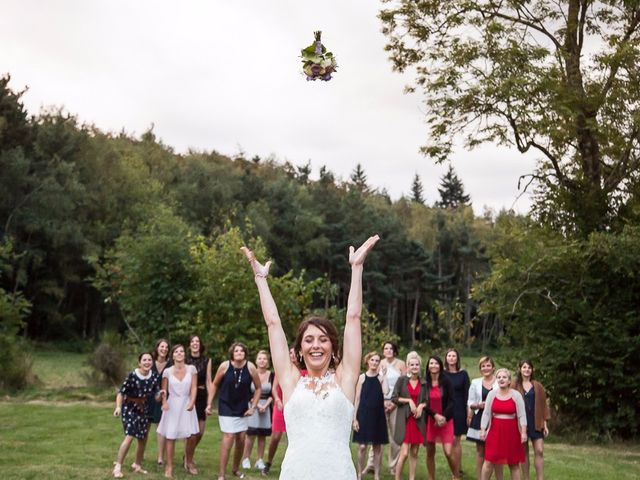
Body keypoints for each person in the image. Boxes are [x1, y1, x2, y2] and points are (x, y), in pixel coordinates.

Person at [241, 234, 379, 480]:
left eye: (323, 339)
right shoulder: (291, 380)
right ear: (300, 349)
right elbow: (273, 324)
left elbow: (353, 318)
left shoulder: (345, 379)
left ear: (333, 347)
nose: (316, 346)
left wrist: (357, 269)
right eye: (309, 340)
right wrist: (260, 279)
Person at [206, 342, 262, 480]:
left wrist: (253, 407)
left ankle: (235, 469)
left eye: (242, 351)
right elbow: (214, 384)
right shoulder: (225, 366)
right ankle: (221, 474)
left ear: (245, 354)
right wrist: (209, 404)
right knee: (229, 437)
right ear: (232, 353)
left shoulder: (250, 367)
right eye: (236, 351)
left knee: (241, 439)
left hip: (242, 408)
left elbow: (259, 388)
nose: (239, 353)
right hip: (226, 406)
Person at [112, 352, 162, 478]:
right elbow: (121, 393)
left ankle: (137, 465)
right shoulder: (132, 375)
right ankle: (117, 467)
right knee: (130, 435)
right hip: (129, 408)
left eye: (149, 360)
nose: (147, 362)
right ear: (139, 363)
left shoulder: (154, 377)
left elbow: (156, 396)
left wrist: (160, 395)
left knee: (142, 438)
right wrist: (118, 407)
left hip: (143, 409)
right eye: (144, 360)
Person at [363, 341, 406, 476]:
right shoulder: (378, 362)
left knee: (395, 437)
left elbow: (404, 385)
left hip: (396, 403)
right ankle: (371, 464)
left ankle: (393, 466)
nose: (388, 350)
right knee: (376, 435)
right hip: (379, 403)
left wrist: (394, 403)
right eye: (386, 348)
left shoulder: (401, 364)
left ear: (395, 350)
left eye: (391, 348)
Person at [157, 344, 200, 478]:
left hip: (187, 403)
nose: (180, 353)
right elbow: (163, 391)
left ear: (184, 354)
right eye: (177, 351)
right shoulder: (167, 372)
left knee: (192, 436)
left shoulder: (192, 369)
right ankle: (169, 466)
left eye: (182, 351)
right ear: (173, 355)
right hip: (173, 405)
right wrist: (164, 402)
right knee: (171, 435)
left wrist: (192, 402)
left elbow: (193, 388)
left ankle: (189, 461)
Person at [262, 346, 304, 476]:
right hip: (280, 406)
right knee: (275, 437)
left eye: (294, 353)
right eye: (290, 353)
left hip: (297, 408)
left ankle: (293, 465)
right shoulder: (282, 369)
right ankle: (268, 462)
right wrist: (278, 400)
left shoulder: (305, 370)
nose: (292, 355)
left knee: (294, 438)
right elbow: (274, 388)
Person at [480, 368, 527, 480]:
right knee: (489, 461)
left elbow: (522, 415)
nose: (501, 379)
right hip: (495, 432)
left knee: (514, 464)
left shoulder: (516, 395)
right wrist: (483, 430)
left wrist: (524, 432)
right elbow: (486, 414)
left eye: (504, 377)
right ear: (496, 380)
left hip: (512, 433)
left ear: (509, 381)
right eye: (499, 377)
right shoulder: (492, 394)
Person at [352, 351, 389, 480]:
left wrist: (384, 376)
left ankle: (377, 475)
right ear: (367, 361)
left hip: (377, 415)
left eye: (377, 361)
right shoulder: (362, 378)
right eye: (372, 360)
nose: (374, 363)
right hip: (363, 415)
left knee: (377, 446)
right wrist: (354, 418)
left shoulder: (380, 378)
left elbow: (386, 391)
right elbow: (357, 398)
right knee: (362, 446)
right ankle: (359, 474)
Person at [392, 351, 427, 480]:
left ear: (419, 366)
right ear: (407, 366)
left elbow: (426, 400)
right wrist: (409, 401)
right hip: (405, 420)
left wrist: (421, 406)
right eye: (411, 364)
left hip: (418, 420)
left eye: (416, 365)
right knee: (405, 452)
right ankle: (397, 477)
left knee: (414, 452)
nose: (414, 367)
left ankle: (412, 478)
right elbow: (394, 398)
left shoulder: (423, 383)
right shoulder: (402, 380)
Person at [513, 360, 550, 480]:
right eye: (524, 367)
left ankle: (540, 478)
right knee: (524, 453)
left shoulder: (538, 385)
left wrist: (545, 424)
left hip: (536, 421)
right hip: (520, 423)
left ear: (532, 370)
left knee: (539, 451)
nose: (527, 370)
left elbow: (544, 405)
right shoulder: (514, 385)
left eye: (529, 367)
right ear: (520, 369)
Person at [467, 356, 500, 480]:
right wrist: (477, 406)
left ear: (493, 368)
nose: (486, 368)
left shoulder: (499, 381)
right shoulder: (475, 382)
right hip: (479, 417)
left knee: (495, 452)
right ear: (480, 369)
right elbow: (470, 402)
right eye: (483, 366)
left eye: (488, 365)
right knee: (481, 452)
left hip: (496, 418)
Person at [424, 355, 457, 480]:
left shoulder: (447, 381)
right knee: (430, 452)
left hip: (446, 421)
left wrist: (443, 417)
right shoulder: (424, 382)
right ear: (428, 366)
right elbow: (423, 403)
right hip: (430, 421)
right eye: (431, 363)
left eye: (436, 363)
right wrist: (435, 416)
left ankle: (456, 476)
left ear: (440, 366)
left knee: (448, 452)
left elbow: (452, 401)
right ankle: (431, 477)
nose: (433, 365)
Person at [242, 350, 274, 472]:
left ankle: (259, 460)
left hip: (266, 407)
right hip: (252, 405)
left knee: (262, 434)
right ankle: (246, 458)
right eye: (260, 358)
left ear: (268, 362)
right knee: (250, 434)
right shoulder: (250, 373)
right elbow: (246, 392)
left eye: (264, 359)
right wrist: (256, 405)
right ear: (256, 361)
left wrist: (265, 405)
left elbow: (272, 393)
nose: (262, 361)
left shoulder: (272, 375)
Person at [185, 334, 213, 474]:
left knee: (200, 432)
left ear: (200, 345)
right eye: (192, 341)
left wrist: (209, 402)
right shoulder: (184, 359)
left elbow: (209, 381)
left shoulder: (207, 360)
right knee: (191, 432)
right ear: (189, 345)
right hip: (188, 396)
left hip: (202, 396)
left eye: (197, 341)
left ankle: (188, 453)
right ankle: (189, 461)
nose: (195, 343)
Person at [443, 348, 470, 479]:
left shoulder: (463, 374)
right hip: (446, 409)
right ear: (446, 358)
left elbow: (467, 394)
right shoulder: (442, 374)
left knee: (456, 440)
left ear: (457, 358)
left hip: (459, 409)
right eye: (449, 356)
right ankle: (454, 468)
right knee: (448, 441)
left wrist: (468, 412)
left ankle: (457, 471)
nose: (452, 358)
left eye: (454, 356)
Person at [148, 339, 170, 466]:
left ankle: (161, 457)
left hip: (163, 398)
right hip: (149, 397)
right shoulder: (150, 363)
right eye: (162, 346)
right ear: (157, 348)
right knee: (145, 428)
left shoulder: (170, 364)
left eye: (166, 347)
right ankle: (139, 454)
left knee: (161, 428)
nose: (164, 349)